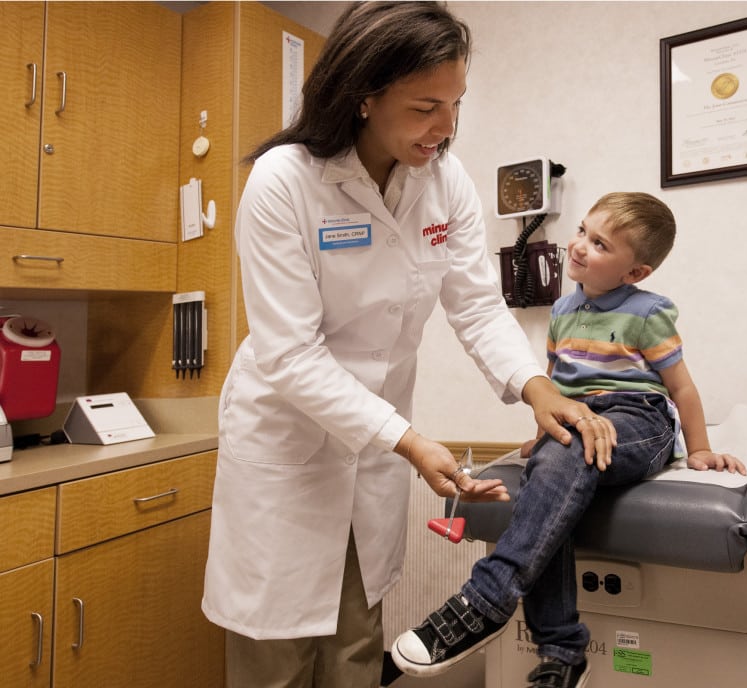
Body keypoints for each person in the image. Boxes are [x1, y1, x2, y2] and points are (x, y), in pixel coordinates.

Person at [201, 4, 616, 687]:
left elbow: (478, 306)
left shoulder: (444, 182)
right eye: (427, 105)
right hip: (287, 444)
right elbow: (291, 356)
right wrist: (410, 441)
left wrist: (537, 389)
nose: (446, 127)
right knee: (274, 659)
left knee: (356, 649)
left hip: (375, 451)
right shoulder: (286, 181)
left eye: (455, 104)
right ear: (363, 95)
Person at [392, 192, 746, 688]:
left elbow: (680, 387)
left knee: (571, 447)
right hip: (575, 421)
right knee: (550, 476)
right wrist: (541, 435)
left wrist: (701, 448)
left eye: (599, 244)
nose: (579, 246)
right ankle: (561, 655)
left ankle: (490, 596)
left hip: (638, 421)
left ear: (635, 273)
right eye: (582, 230)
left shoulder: (647, 313)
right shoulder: (561, 309)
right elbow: (554, 388)